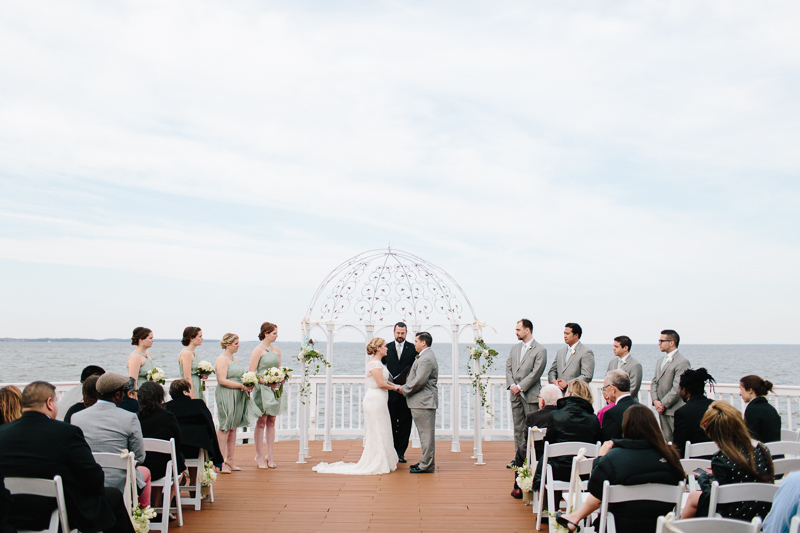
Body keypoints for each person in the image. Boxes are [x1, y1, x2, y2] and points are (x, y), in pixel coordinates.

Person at [0, 381, 134, 533]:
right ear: (49, 403)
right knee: (113, 496)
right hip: (55, 512)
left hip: (12, 513)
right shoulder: (66, 433)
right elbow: (94, 479)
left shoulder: (2, 433)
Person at [558, 405, 686, 533]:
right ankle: (574, 518)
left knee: (605, 488)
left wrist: (601, 458)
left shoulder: (614, 457)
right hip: (659, 527)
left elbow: (594, 488)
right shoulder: (671, 457)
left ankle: (575, 518)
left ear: (625, 427)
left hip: (619, 527)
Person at [313, 338, 401, 475]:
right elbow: (381, 384)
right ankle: (378, 461)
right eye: (384, 346)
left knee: (383, 429)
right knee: (378, 430)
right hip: (375, 399)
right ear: (378, 348)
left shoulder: (378, 363)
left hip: (380, 399)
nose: (387, 348)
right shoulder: (375, 364)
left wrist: (395, 385)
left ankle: (384, 459)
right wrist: (397, 388)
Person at [681, 401, 775, 521]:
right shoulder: (762, 449)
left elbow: (716, 500)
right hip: (761, 513)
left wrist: (703, 478)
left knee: (694, 498)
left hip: (734, 518)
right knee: (694, 497)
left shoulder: (721, 460)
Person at [71, 373, 152, 509]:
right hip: (120, 483)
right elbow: (139, 457)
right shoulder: (129, 417)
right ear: (117, 395)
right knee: (145, 472)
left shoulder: (76, 417)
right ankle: (142, 517)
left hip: (87, 481)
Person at [532, 380, 601, 505]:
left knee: (550, 461)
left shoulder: (556, 415)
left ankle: (549, 508)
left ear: (569, 394)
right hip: (584, 472)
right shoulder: (593, 419)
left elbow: (549, 443)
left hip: (559, 471)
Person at [138, 381, 187, 513]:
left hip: (141, 465)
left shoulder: (136, 418)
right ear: (160, 398)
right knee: (177, 469)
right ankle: (163, 507)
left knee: (160, 462)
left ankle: (157, 505)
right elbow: (178, 440)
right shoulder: (168, 417)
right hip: (164, 467)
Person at [505, 318, 548, 459]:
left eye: (518, 329)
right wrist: (512, 385)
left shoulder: (540, 350)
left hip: (530, 395)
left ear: (527, 330)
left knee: (531, 429)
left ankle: (532, 458)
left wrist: (520, 386)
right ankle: (518, 458)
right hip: (515, 395)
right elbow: (509, 367)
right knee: (518, 428)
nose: (516, 332)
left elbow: (536, 372)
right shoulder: (514, 348)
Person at [248, 322, 288, 469]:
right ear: (266, 334)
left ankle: (270, 456)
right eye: (274, 333)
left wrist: (281, 377)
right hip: (262, 388)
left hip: (275, 388)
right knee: (262, 421)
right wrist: (266, 382)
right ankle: (259, 455)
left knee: (272, 421)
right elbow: (252, 372)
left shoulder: (276, 349)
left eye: (276, 333)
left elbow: (279, 368)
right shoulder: (258, 350)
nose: (276, 336)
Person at [511, 384, 561, 499]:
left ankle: (518, 487)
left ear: (542, 401)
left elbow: (527, 438)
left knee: (521, 450)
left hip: (537, 455)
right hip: (558, 456)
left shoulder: (533, 416)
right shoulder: (563, 416)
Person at [214, 333, 254, 473]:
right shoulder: (222, 359)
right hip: (226, 394)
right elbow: (222, 380)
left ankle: (230, 459)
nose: (238, 345)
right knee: (225, 426)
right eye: (236, 343)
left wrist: (247, 383)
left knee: (233, 427)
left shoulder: (234, 359)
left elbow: (238, 377)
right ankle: (219, 461)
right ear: (228, 345)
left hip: (238, 394)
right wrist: (241, 386)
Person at [401, 332, 439, 474]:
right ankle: (425, 460)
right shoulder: (425, 356)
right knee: (424, 434)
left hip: (424, 401)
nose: (414, 343)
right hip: (421, 402)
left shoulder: (426, 359)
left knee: (426, 435)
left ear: (424, 343)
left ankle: (427, 465)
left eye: (416, 341)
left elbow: (419, 382)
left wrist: (403, 389)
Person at [165, 379, 224, 470]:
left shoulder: (166, 407)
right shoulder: (198, 404)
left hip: (175, 447)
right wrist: (216, 455)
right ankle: (193, 481)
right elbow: (210, 425)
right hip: (197, 446)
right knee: (197, 441)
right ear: (185, 392)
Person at [381, 322, 418, 464]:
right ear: (394, 332)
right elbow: (381, 366)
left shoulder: (413, 349)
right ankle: (391, 451)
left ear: (407, 333)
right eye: (398, 333)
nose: (400, 336)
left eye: (402, 333)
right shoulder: (387, 348)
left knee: (405, 423)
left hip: (406, 392)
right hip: (390, 393)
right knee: (390, 422)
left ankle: (401, 453)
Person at [650, 329, 691, 442]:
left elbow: (678, 387)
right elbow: (654, 382)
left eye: (662, 340)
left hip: (674, 409)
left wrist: (663, 404)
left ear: (672, 342)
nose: (659, 343)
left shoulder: (682, 361)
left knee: (677, 440)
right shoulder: (660, 361)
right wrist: (655, 401)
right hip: (661, 409)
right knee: (665, 440)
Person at [673, 367, 716, 458]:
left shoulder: (682, 413)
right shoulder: (716, 406)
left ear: (684, 391)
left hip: (694, 462)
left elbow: (679, 447)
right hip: (718, 459)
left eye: (680, 389)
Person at [548, 323, 594, 391]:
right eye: (564, 333)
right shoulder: (560, 351)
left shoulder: (586, 352)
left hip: (575, 395)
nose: (564, 336)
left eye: (567, 334)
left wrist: (567, 383)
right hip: (559, 394)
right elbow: (552, 371)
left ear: (576, 335)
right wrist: (554, 381)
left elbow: (587, 376)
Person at [599, 370, 638, 442]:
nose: (605, 391)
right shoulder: (643, 409)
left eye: (605, 388)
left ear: (613, 389)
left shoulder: (611, 414)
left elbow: (608, 443)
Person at [741, 375, 782, 443]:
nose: (740, 393)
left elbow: (750, 440)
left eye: (741, 389)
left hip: (763, 452)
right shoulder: (771, 409)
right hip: (777, 452)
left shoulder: (752, 410)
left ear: (750, 390)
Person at [605, 336, 642, 400]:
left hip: (628, 404)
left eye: (616, 347)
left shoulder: (635, 365)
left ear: (625, 348)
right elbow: (606, 381)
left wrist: (619, 400)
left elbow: (634, 388)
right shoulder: (612, 362)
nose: (613, 348)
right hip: (612, 403)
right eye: (613, 346)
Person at [178, 326, 205, 400]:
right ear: (192, 338)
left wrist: (201, 375)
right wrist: (192, 396)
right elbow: (187, 377)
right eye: (200, 336)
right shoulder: (186, 353)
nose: (202, 338)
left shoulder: (194, 353)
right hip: (190, 387)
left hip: (197, 384)